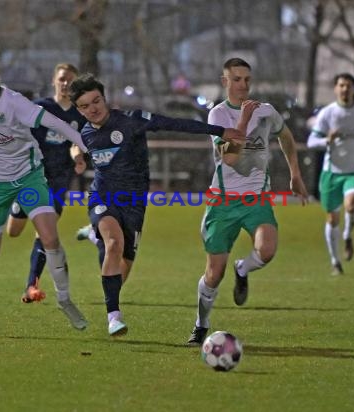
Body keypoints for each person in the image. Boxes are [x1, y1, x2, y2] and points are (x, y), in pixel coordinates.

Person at [69, 73, 245, 336]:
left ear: (104, 99)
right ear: (79, 110)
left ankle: (96, 238)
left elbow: (175, 123)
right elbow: (76, 143)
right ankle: (113, 317)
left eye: (96, 101)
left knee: (122, 267)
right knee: (114, 244)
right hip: (103, 198)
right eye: (85, 106)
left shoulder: (131, 121)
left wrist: (220, 131)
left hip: (135, 202)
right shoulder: (85, 132)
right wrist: (78, 157)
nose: (92, 109)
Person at [0, 51, 88, 336]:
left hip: (29, 178)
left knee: (50, 237)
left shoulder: (13, 101)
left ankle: (64, 299)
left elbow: (57, 123)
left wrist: (83, 144)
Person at [186, 57, 309, 346]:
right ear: (224, 81)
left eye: (247, 80)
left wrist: (295, 173)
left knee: (267, 250)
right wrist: (243, 119)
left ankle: (243, 269)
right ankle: (201, 325)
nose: (243, 85)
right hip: (223, 202)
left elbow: (286, 136)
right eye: (236, 79)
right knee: (213, 275)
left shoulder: (265, 111)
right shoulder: (217, 116)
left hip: (257, 199)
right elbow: (229, 157)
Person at [5, 63, 87, 303]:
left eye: (70, 80)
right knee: (13, 231)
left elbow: (80, 143)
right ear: (54, 81)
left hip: (59, 181)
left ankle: (31, 286)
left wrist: (79, 157)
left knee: (45, 232)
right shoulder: (41, 108)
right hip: (32, 177)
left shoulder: (79, 115)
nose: (65, 84)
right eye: (62, 79)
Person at [307, 72, 354, 276]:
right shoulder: (328, 113)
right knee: (332, 219)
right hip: (332, 173)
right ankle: (335, 261)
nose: (345, 89)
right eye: (341, 85)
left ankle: (347, 235)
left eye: (349, 85)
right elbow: (312, 141)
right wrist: (326, 140)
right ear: (336, 88)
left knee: (352, 203)